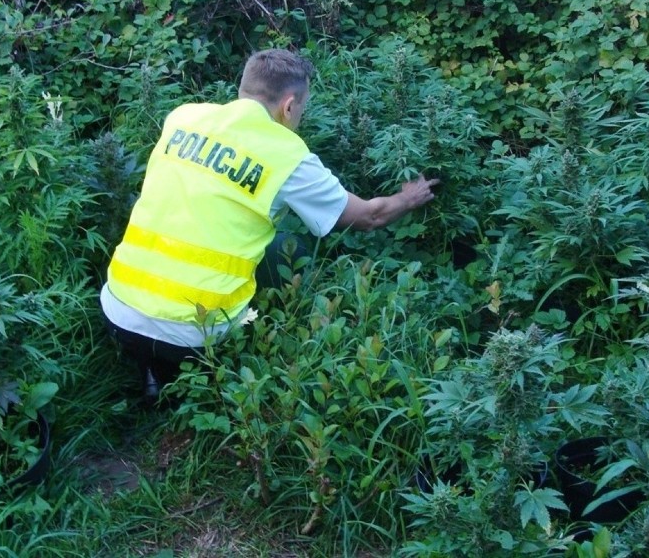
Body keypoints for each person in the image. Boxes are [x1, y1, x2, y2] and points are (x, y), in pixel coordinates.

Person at [100, 48, 439, 401]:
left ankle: (151, 372)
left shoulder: (184, 117)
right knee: (284, 244)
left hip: (117, 308)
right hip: (195, 332)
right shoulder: (288, 155)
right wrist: (410, 198)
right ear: (289, 106)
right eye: (302, 110)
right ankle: (210, 368)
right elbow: (369, 217)